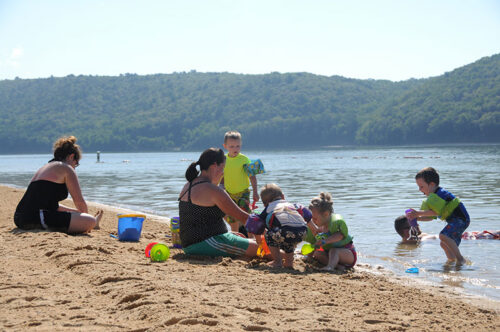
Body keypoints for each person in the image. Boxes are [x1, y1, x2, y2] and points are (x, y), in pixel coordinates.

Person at [178, 148, 259, 258]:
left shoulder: (189, 184)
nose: (223, 173)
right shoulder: (212, 190)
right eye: (223, 168)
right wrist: (269, 233)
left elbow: (203, 218)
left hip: (192, 243)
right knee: (262, 248)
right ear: (214, 166)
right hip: (204, 243)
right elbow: (244, 218)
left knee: (243, 238)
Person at [14, 136, 103, 234]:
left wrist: (77, 213)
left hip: (20, 217)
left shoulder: (47, 167)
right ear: (71, 156)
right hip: (34, 217)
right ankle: (93, 224)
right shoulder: (66, 168)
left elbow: (51, 205)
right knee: (89, 221)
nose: (75, 167)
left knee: (83, 218)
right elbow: (79, 202)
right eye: (76, 163)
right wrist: (87, 219)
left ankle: (91, 222)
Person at [406, 167, 470, 264]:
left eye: (421, 186)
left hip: (461, 219)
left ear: (431, 184)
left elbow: (436, 212)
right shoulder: (432, 198)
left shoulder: (440, 194)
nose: (419, 189)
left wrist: (418, 213)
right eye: (418, 187)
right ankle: (451, 261)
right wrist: (416, 218)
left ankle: (461, 259)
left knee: (443, 236)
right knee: (443, 244)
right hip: (456, 221)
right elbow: (431, 217)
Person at [256, 183, 309, 268]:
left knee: (269, 234)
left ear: (265, 203)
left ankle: (277, 261)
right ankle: (289, 263)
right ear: (283, 196)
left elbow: (258, 223)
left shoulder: (269, 207)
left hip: (287, 231)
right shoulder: (290, 205)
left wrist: (258, 239)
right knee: (288, 240)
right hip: (303, 232)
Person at [305, 192, 356, 271]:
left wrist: (325, 241)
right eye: (312, 219)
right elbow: (315, 244)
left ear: (326, 214)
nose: (313, 221)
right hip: (329, 254)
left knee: (334, 251)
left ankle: (330, 267)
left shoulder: (334, 224)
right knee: (317, 253)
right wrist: (309, 256)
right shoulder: (320, 228)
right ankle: (338, 267)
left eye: (315, 219)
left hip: (347, 254)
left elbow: (340, 236)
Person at [222, 131, 259, 235]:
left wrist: (255, 192)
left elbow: (252, 176)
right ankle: (236, 239)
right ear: (225, 146)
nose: (235, 149)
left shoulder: (245, 159)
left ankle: (251, 239)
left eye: (238, 146)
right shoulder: (223, 159)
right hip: (229, 193)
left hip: (243, 193)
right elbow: (220, 176)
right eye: (232, 146)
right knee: (232, 219)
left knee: (246, 217)